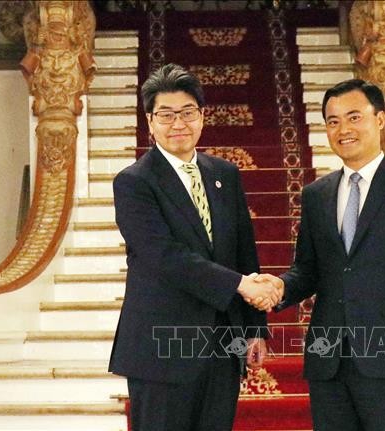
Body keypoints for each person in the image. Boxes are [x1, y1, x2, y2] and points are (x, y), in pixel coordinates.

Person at [255, 79, 385, 430]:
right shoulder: (317, 195)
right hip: (328, 361)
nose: (343, 129)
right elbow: (309, 270)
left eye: (354, 117)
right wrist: (278, 288)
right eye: (333, 121)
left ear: (380, 119)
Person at [109, 63, 282, 431]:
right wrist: (239, 284)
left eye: (188, 113)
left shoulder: (225, 174)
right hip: (162, 349)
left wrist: (255, 327)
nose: (178, 124)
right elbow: (162, 256)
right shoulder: (133, 183)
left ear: (202, 116)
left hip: (223, 344)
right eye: (166, 115)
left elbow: (243, 252)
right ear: (150, 122)